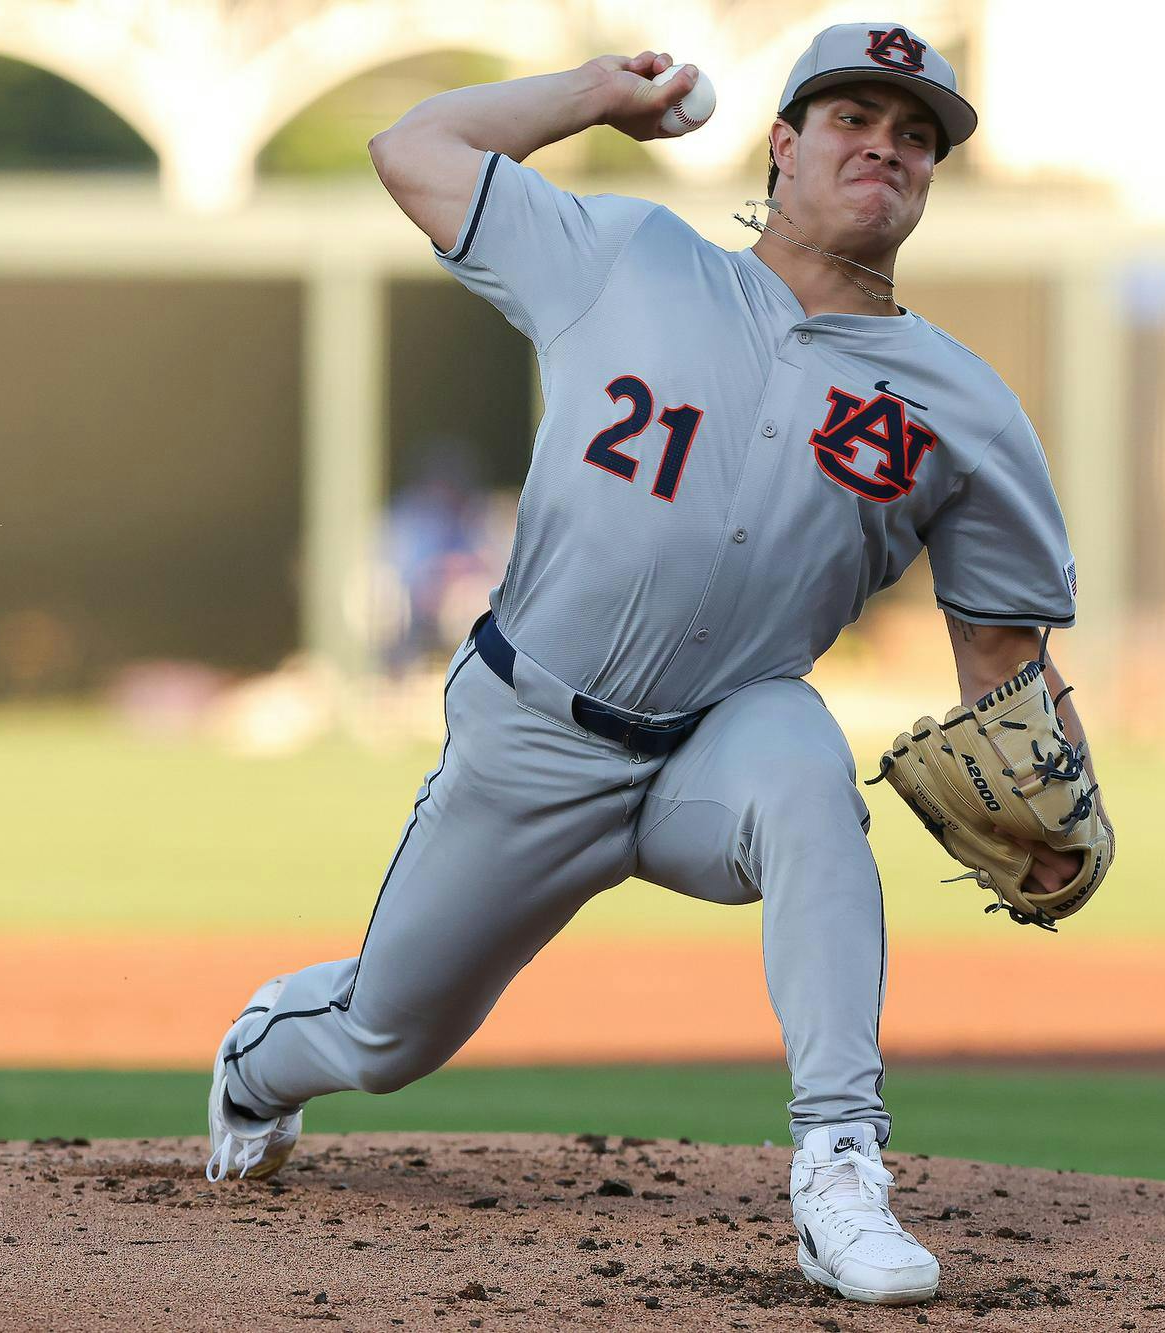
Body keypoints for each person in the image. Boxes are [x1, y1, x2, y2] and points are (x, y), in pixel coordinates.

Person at [203, 22, 1106, 1307]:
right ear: (782, 146)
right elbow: (414, 148)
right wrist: (589, 98)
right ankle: (259, 1053)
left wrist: (1060, 794)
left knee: (803, 763)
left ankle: (839, 1168)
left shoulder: (959, 404)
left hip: (721, 743)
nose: (886, 149)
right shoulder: (622, 256)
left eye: (915, 137)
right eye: (853, 119)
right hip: (535, 733)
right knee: (387, 1034)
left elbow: (1004, 658)